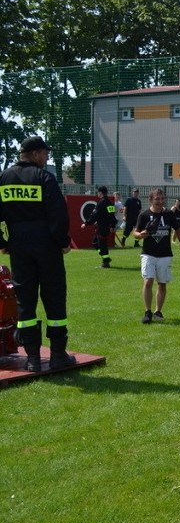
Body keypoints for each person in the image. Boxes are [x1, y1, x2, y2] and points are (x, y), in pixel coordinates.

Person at [0, 136, 76, 371]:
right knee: (54, 295)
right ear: (34, 154)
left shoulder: (4, 178)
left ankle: (32, 357)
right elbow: (58, 215)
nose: (46, 158)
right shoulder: (44, 178)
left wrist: (2, 242)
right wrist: (62, 242)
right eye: (44, 153)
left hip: (19, 245)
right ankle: (57, 354)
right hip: (46, 244)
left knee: (24, 300)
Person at [133, 189, 180, 323]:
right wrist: (140, 235)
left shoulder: (169, 214)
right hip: (148, 253)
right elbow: (135, 232)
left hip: (165, 254)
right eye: (157, 199)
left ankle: (158, 311)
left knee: (162, 284)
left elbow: (179, 231)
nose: (160, 201)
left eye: (162, 198)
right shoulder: (144, 215)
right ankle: (147, 312)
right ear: (151, 200)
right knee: (148, 281)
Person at [81, 185, 117, 268]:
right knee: (96, 242)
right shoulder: (109, 203)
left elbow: (94, 215)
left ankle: (106, 262)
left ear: (100, 193)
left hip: (102, 227)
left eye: (98, 192)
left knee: (101, 244)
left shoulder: (101, 203)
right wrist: (112, 226)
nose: (97, 193)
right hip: (107, 227)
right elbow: (112, 216)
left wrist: (86, 223)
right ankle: (106, 259)